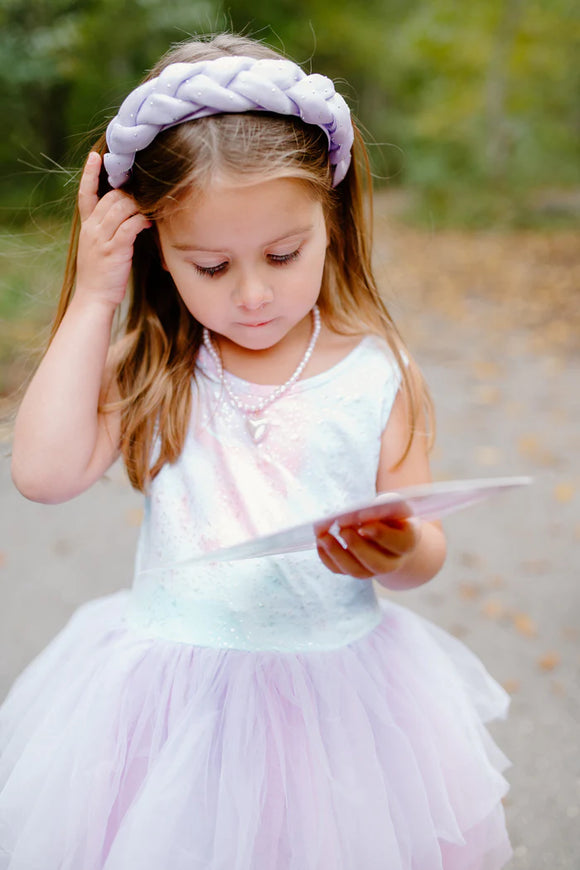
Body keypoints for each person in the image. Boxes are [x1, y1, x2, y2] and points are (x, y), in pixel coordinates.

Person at [1, 33, 511, 870]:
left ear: (330, 221)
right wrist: (94, 296)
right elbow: (43, 474)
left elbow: (424, 550)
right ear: (156, 251)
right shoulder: (158, 363)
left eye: (283, 254)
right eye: (210, 266)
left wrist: (399, 549)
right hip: (175, 718)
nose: (252, 294)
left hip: (337, 716)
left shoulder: (377, 373)